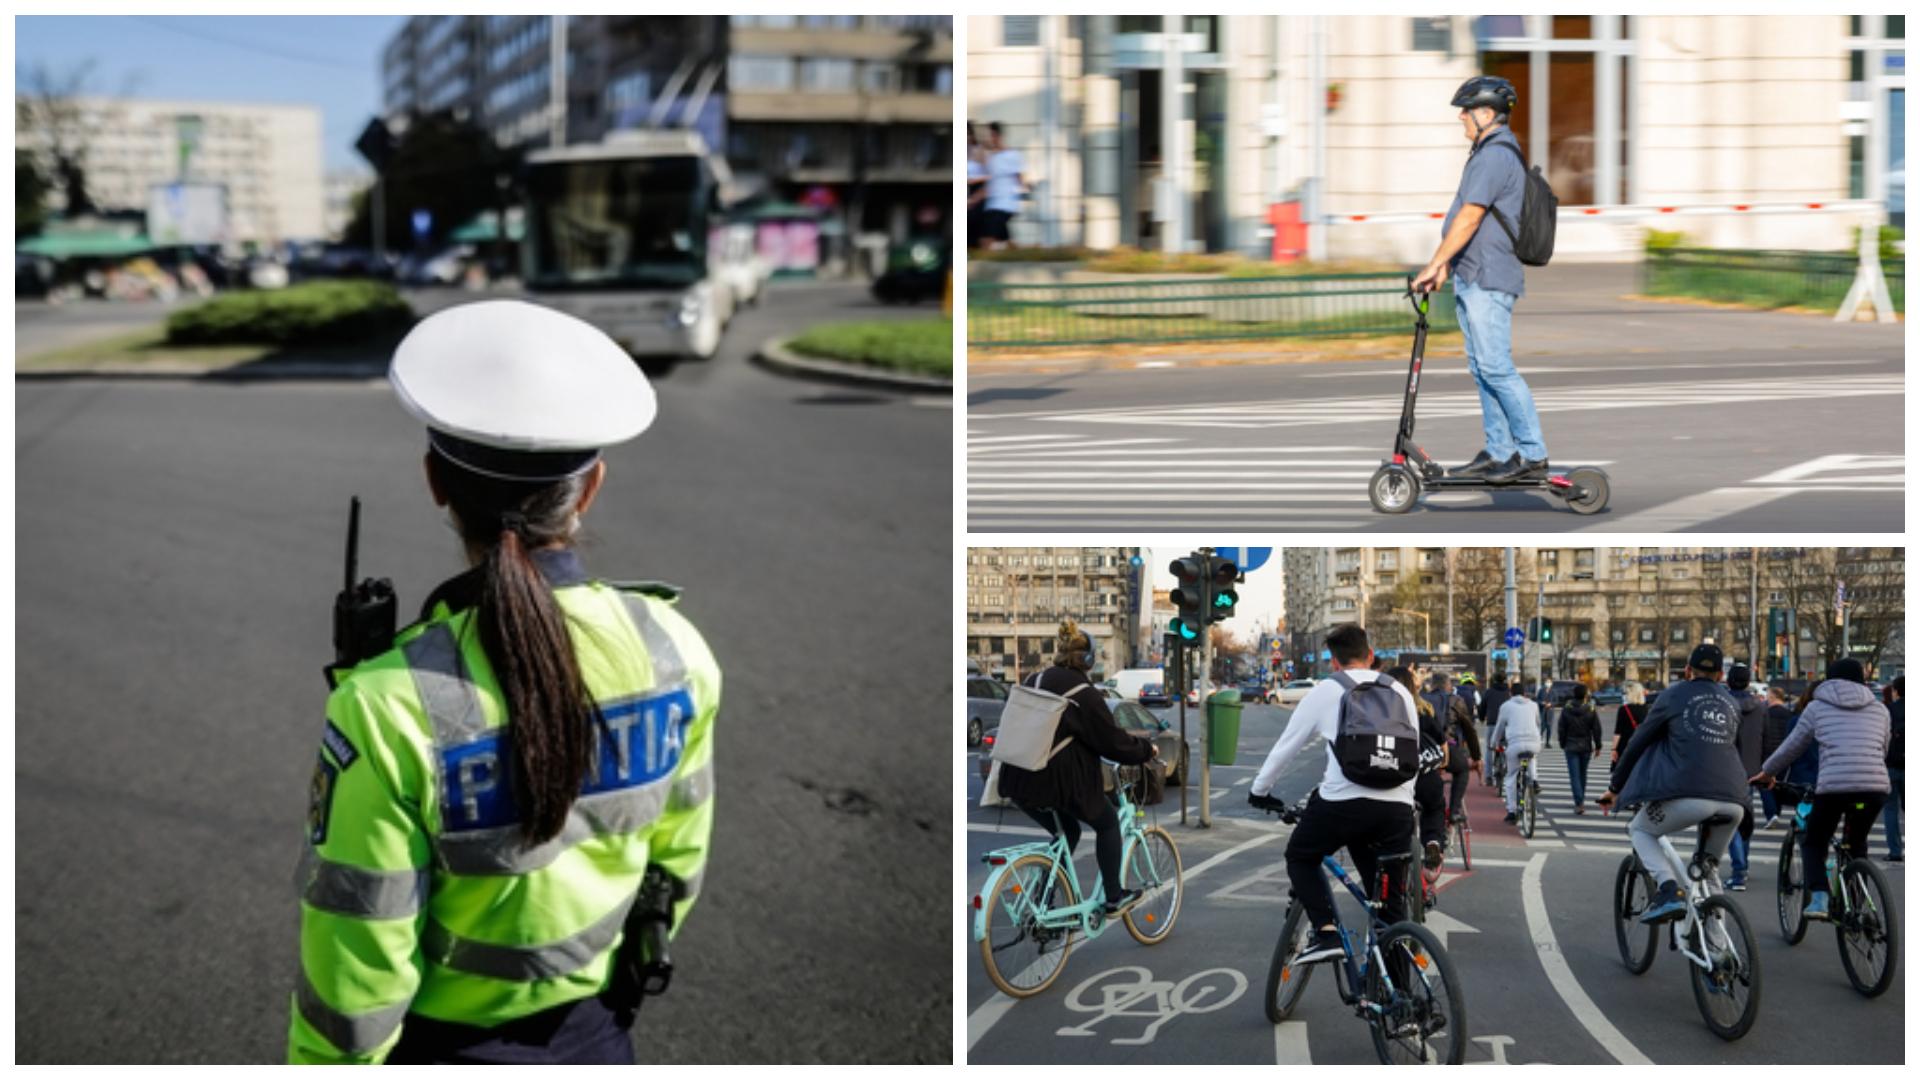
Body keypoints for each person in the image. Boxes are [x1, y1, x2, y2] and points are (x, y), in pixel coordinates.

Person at [290, 301, 720, 1064]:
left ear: (436, 483)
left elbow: (356, 964)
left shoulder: (385, 705)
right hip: (599, 1034)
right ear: (588, 490)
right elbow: (674, 865)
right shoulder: (675, 650)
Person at [1249, 624, 1419, 964]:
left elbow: (1287, 748)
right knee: (1390, 906)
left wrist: (1260, 791)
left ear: (1334, 663)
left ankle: (1326, 933)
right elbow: (1410, 748)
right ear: (1371, 656)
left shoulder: (1328, 690)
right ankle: (1401, 1004)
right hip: (1397, 809)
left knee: (1300, 855)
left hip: (1344, 804)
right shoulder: (1400, 692)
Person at [1409, 75, 1547, 486]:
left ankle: (1532, 454)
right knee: (1483, 368)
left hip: (1489, 276)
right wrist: (1449, 265)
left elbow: (1470, 216)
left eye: (1466, 113)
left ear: (1486, 113)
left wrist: (1435, 263)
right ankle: (1500, 451)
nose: (1462, 120)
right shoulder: (1488, 151)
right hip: (1473, 272)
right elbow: (1474, 221)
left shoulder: (1494, 155)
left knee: (1497, 368)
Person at [1000, 621, 1159, 915]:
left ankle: (1042, 901)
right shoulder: (1083, 693)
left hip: (1016, 776)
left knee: (1067, 832)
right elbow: (1111, 742)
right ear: (1088, 659)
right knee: (1108, 822)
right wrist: (1145, 750)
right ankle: (1114, 896)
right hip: (1058, 782)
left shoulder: (1034, 678)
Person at [1596, 645, 1748, 924]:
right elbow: (1735, 752)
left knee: (1640, 829)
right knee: (1709, 870)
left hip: (1689, 795)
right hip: (1734, 801)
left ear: (1688, 671)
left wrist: (1615, 788)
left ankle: (1668, 890)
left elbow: (1637, 743)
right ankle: (1720, 953)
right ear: (1719, 675)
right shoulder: (1731, 704)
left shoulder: (1673, 696)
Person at [1751, 660, 1891, 919]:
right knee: (1856, 844)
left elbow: (1793, 746)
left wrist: (1767, 772)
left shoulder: (1817, 707)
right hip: (1875, 787)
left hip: (1834, 787)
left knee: (1815, 841)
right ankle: (1859, 909)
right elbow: (1883, 747)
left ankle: (1819, 897)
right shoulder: (1880, 709)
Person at [1397, 667, 1450, 870]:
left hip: (1398, 778)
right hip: (1426, 775)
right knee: (1434, 807)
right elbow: (1441, 742)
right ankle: (1433, 842)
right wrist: (1443, 763)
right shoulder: (1424, 710)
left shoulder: (1386, 712)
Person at [1721, 665, 1769, 889]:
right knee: (1745, 819)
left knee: (1730, 821)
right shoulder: (1760, 706)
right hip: (1751, 770)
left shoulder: (1722, 703)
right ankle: (1743, 866)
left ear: (1728, 681)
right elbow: (1765, 738)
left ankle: (1739, 870)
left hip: (1726, 769)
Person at [1427, 672, 1481, 858]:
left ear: (1432, 685)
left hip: (1424, 751)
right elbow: (1469, 730)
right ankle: (1455, 810)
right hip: (1448, 750)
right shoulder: (1456, 701)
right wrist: (1476, 757)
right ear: (1448, 686)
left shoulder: (1420, 699)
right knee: (1462, 770)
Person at [1489, 681, 1543, 824]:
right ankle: (1534, 780)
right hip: (1534, 742)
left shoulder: (1506, 706)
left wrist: (1493, 743)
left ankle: (1512, 811)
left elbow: (1499, 727)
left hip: (1515, 744)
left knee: (1511, 776)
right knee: (1532, 756)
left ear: (1510, 693)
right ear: (1525, 693)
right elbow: (1538, 723)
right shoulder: (1534, 705)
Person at [1556, 684, 1603, 815]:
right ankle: (1580, 800)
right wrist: (1598, 745)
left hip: (1570, 745)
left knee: (1574, 775)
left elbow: (1561, 728)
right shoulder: (1591, 709)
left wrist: (1562, 743)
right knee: (1583, 774)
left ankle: (1579, 802)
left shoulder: (1566, 709)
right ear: (1585, 695)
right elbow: (1596, 729)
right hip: (1586, 745)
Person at [981, 122, 1026, 250]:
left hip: (1005, 204)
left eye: (988, 135)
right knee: (1004, 239)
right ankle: (1019, 255)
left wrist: (1026, 190)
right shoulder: (990, 157)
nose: (986, 139)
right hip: (991, 203)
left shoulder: (1012, 155)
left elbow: (1020, 178)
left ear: (996, 136)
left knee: (986, 239)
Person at [1758, 685, 1794, 826]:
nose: (1766, 698)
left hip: (1767, 753)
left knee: (1764, 784)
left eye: (1767, 696)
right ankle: (1776, 813)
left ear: (1772, 697)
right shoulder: (1789, 714)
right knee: (1778, 784)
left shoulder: (1765, 713)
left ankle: (1772, 813)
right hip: (1784, 754)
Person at [1882, 677, 1903, 861]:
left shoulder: (1888, 711)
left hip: (1892, 766)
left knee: (1890, 810)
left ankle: (1895, 852)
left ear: (1896, 691)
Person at [1610, 682, 1649, 766]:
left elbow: (1618, 732)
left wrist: (1613, 749)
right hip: (1641, 746)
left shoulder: (1624, 709)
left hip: (1625, 746)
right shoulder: (1646, 709)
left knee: (1623, 773)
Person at [966, 123, 989, 249]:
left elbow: (988, 175)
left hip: (976, 190)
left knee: (973, 223)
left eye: (968, 134)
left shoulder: (979, 150)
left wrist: (972, 180)